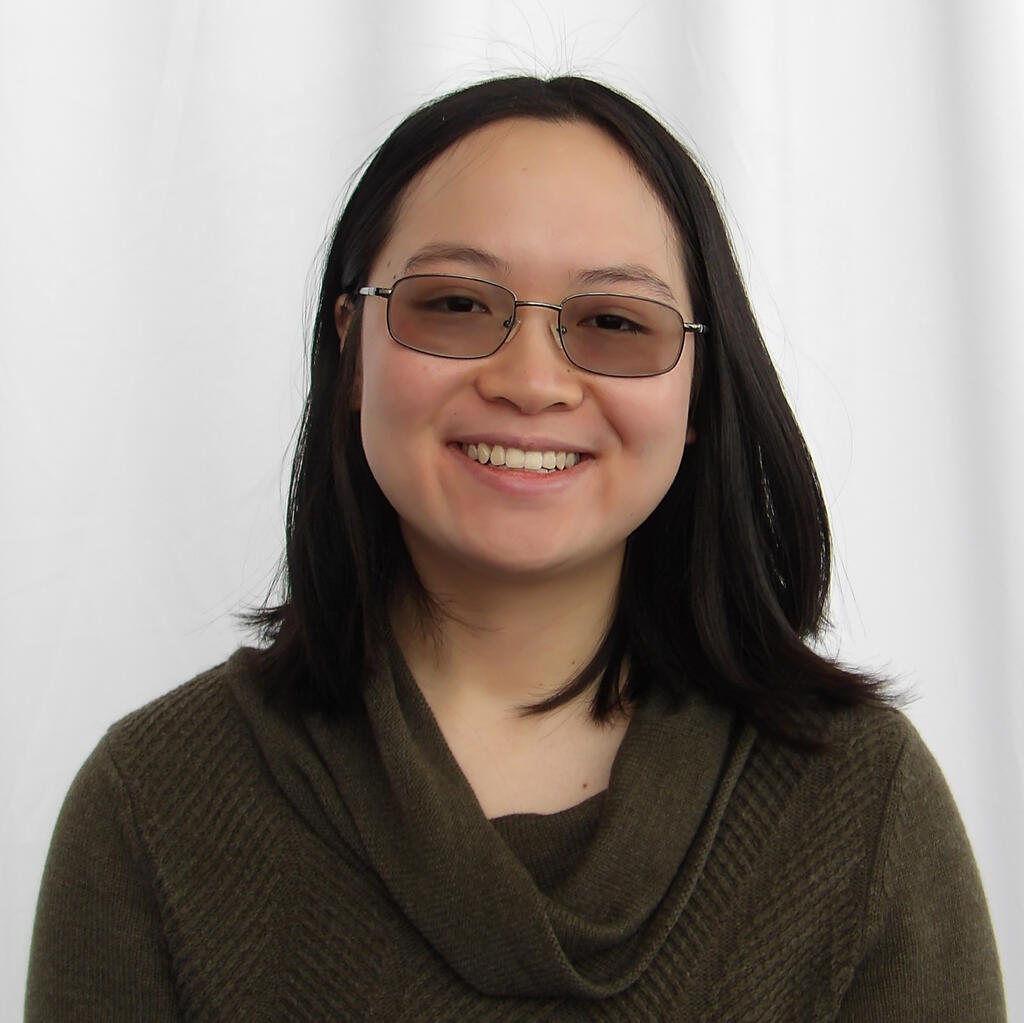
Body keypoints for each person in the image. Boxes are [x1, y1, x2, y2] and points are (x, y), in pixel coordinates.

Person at [25, 75, 1005, 1020]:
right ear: (352, 353)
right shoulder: (154, 804)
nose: (531, 381)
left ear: (701, 394)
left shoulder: (857, 802)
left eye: (614, 322)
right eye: (453, 304)